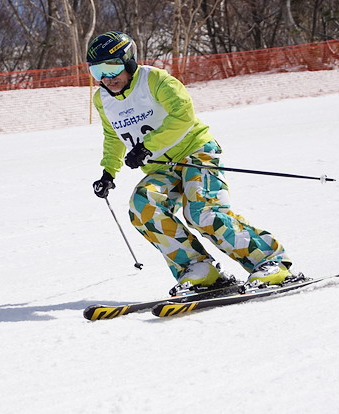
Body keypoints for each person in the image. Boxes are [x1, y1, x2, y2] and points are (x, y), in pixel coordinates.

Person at [88, 31, 293, 294]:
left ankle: (270, 261)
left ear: (128, 61)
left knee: (202, 211)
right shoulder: (102, 99)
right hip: (161, 166)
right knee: (143, 204)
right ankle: (199, 269)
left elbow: (183, 115)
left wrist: (146, 146)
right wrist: (108, 172)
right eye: (97, 71)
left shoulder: (155, 80)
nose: (106, 77)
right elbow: (112, 135)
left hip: (196, 152)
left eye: (112, 67)